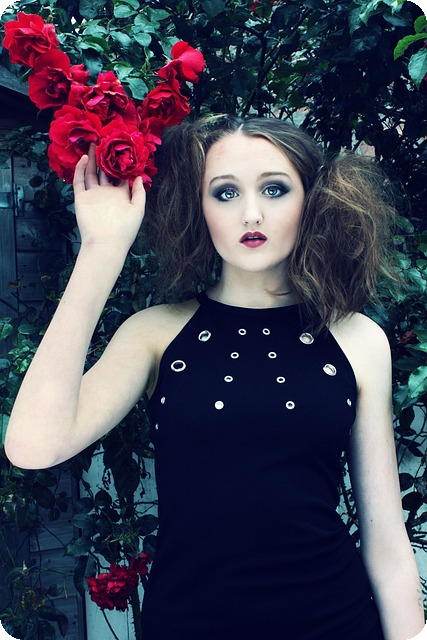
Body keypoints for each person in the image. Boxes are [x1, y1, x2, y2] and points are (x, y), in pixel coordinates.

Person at [4, 115, 424, 640]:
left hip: (336, 621)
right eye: (225, 193)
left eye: (275, 189)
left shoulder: (358, 339)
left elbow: (387, 545)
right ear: (199, 208)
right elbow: (32, 447)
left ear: (312, 201)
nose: (251, 213)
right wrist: (101, 250)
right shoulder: (155, 333)